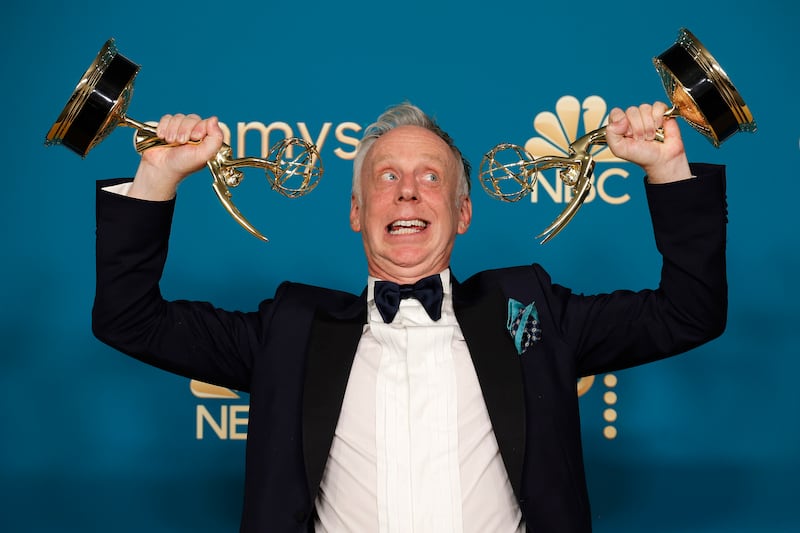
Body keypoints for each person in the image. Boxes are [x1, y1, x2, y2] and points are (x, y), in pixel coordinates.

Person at [92, 101, 728, 532]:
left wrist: (666, 168)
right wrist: (158, 176)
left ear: (462, 211)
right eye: (386, 176)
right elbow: (129, 319)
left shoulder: (530, 309)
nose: (407, 191)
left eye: (430, 177)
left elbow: (689, 312)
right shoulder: (291, 329)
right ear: (356, 210)